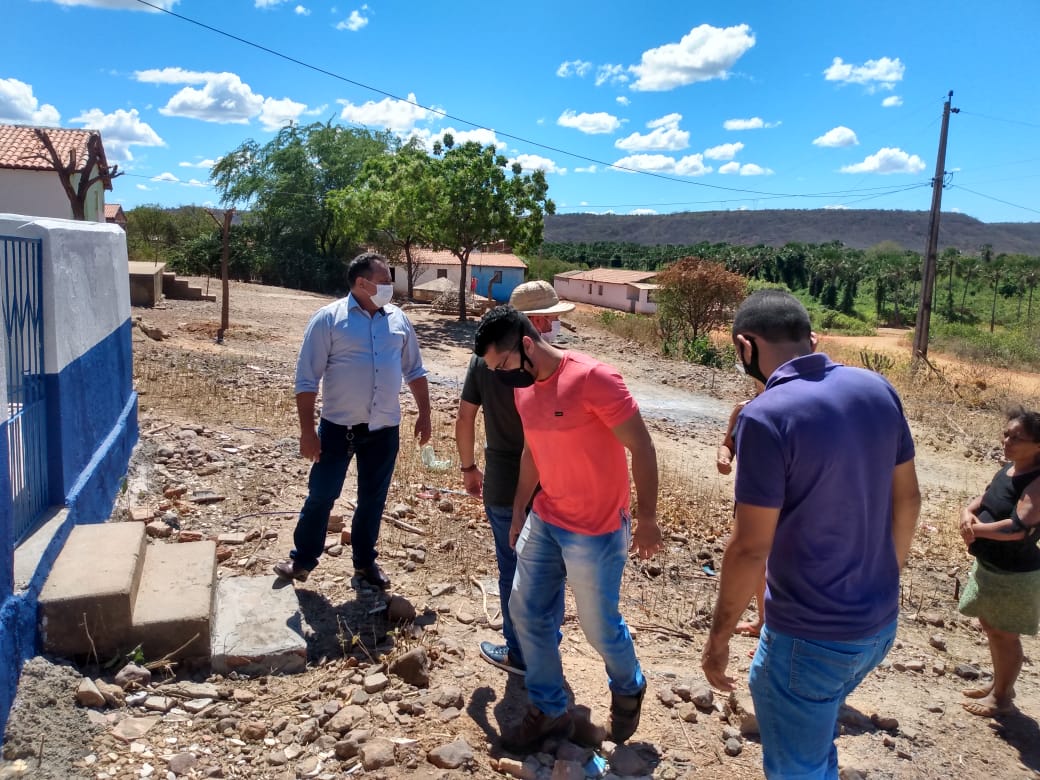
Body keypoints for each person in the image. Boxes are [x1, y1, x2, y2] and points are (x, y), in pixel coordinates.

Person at [701, 290, 921, 779]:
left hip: (809, 639)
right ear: (812, 339)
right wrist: (885, 576)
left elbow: (750, 547)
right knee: (814, 742)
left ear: (744, 346)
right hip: (878, 625)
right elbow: (908, 499)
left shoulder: (766, 415)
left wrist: (718, 639)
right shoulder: (877, 389)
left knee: (795, 766)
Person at [473, 305, 662, 753]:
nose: (500, 376)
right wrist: (520, 508)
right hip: (547, 518)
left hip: (597, 529)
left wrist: (648, 519)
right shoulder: (524, 388)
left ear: (526, 345)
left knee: (599, 628)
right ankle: (549, 708)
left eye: (502, 365)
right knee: (525, 610)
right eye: (493, 370)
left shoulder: (593, 378)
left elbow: (642, 445)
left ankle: (629, 685)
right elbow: (533, 452)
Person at [274, 252, 432, 590]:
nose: (390, 286)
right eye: (384, 281)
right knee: (322, 494)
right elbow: (307, 379)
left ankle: (364, 563)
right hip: (337, 429)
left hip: (384, 430)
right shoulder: (328, 320)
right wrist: (307, 432)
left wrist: (425, 413)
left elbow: (415, 370)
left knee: (373, 500)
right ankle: (302, 559)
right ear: (362, 283)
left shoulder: (399, 320)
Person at [454, 281, 569, 676]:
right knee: (550, 571)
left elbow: (465, 417)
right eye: (548, 317)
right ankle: (544, 645)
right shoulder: (557, 366)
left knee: (512, 570)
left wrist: (468, 467)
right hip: (552, 485)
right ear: (530, 323)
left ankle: (520, 651)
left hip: (504, 484)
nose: (553, 324)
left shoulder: (483, 362)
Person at [957, 406, 1040, 718]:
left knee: (1005, 635)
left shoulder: (1037, 482)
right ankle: (1000, 684)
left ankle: (1001, 698)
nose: (1007, 441)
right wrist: (967, 513)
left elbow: (1018, 528)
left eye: (1017, 438)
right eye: (1006, 434)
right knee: (993, 628)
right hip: (991, 567)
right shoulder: (1009, 469)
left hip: (1014, 575)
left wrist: (974, 530)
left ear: (1038, 446)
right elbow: (986, 498)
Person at [716, 398, 766, 638]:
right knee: (757, 562)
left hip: (784, 501)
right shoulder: (743, 409)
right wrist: (723, 457)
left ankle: (776, 628)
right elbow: (728, 444)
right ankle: (764, 621)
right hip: (749, 498)